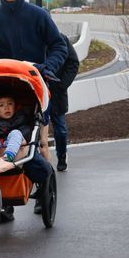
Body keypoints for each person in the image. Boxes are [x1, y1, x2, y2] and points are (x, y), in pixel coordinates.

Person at [0, 0, 67, 218]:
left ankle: (43, 188)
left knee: (40, 145)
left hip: (34, 85)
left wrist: (47, 68)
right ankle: (3, 198)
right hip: (3, 87)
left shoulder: (38, 16)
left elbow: (58, 45)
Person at [49, 33, 79, 172]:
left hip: (56, 94)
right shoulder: (29, 38)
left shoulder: (61, 39)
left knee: (60, 130)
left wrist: (62, 85)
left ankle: (62, 155)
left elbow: (73, 63)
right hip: (35, 92)